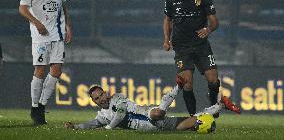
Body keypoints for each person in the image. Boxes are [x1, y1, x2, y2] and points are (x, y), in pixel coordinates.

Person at [64, 75, 240, 131]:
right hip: (155, 128)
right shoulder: (102, 115)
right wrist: (76, 127)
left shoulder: (117, 97)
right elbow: (93, 123)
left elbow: (120, 114)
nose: (101, 98)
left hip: (146, 114)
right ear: (94, 101)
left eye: (101, 94)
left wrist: (109, 128)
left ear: (105, 93)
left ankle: (176, 88)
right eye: (97, 98)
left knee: (157, 113)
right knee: (192, 122)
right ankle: (221, 105)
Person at [19, 0, 72, 125]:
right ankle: (35, 107)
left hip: (57, 35)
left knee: (56, 71)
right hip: (40, 36)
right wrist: (37, 23)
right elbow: (22, 9)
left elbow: (64, 7)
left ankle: (41, 106)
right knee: (40, 71)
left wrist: (68, 27)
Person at [163, 0, 220, 116]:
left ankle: (213, 105)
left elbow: (214, 22)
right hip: (182, 48)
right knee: (187, 84)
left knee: (213, 79)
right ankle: (193, 118)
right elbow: (167, 20)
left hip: (201, 46)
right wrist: (166, 40)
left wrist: (208, 30)